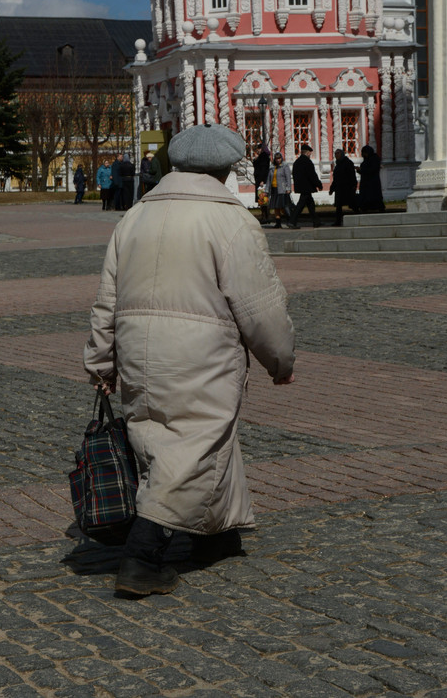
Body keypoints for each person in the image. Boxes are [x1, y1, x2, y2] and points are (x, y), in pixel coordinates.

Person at [84, 123, 295, 597]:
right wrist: (280, 361)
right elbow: (260, 306)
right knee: (193, 444)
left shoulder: (134, 217)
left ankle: (215, 535)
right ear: (224, 170)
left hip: (139, 349)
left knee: (167, 434)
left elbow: (106, 301)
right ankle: (142, 556)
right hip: (202, 353)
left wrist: (100, 362)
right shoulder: (232, 222)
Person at [288, 144, 323, 229]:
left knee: (310, 204)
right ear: (307, 153)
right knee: (300, 205)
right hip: (307, 187)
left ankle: (316, 221)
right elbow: (312, 175)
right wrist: (318, 184)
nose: (310, 155)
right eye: (310, 153)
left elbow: (294, 174)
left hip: (301, 187)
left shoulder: (297, 162)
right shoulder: (307, 162)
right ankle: (292, 221)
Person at [329, 149, 358, 226]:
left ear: (341, 154)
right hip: (339, 188)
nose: (336, 155)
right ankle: (338, 221)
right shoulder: (338, 165)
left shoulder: (348, 163)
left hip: (347, 187)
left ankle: (359, 216)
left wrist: (354, 186)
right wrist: (332, 189)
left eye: (338, 153)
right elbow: (335, 178)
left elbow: (352, 176)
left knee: (352, 204)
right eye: (335, 154)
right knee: (338, 206)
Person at [265, 151, 292, 228]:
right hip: (274, 189)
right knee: (276, 207)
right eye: (276, 159)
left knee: (283, 206)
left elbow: (288, 178)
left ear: (281, 158)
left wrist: (288, 188)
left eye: (279, 158)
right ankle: (278, 223)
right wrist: (267, 190)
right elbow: (268, 180)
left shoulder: (285, 166)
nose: (278, 160)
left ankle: (290, 220)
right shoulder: (272, 167)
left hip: (282, 189)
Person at [357, 145, 386, 213]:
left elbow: (372, 170)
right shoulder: (367, 160)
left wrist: (362, 170)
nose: (363, 155)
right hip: (366, 183)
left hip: (372, 183)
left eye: (364, 153)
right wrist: (360, 170)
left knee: (374, 197)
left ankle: (379, 209)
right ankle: (365, 208)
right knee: (366, 197)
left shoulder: (374, 159)